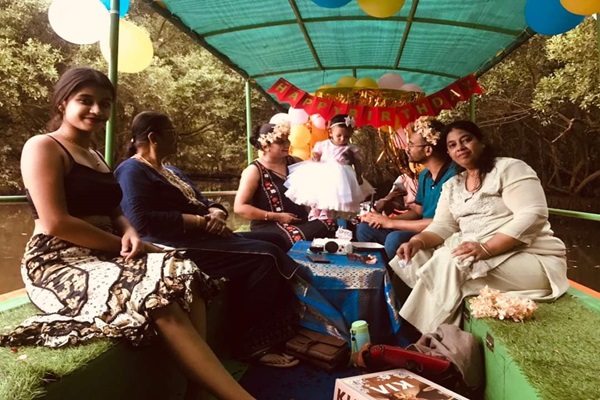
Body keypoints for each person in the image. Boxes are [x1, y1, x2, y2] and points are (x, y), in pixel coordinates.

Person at [0, 67, 255, 399]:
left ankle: (197, 391)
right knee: (156, 295)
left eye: (105, 103)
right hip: (56, 260)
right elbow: (55, 222)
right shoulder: (43, 147)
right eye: (85, 101)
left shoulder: (96, 156)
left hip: (105, 252)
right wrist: (135, 245)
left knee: (185, 270)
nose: (96, 110)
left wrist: (130, 231)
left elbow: (116, 211)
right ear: (63, 103)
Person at [114, 111, 301, 368]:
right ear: (154, 138)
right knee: (266, 257)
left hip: (202, 237)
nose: (177, 138)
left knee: (275, 240)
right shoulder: (131, 170)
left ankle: (280, 325)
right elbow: (140, 220)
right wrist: (200, 222)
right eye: (172, 134)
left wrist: (216, 213)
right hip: (170, 246)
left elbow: (204, 201)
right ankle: (249, 342)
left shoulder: (171, 170)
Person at [392, 120, 569, 334]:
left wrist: (486, 248)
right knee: (415, 257)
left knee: (451, 261)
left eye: (466, 140)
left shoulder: (510, 168)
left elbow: (533, 214)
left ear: (481, 142)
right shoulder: (453, 184)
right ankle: (422, 332)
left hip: (530, 257)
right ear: (448, 153)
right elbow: (444, 225)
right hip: (479, 253)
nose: (460, 147)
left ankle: (421, 337)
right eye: (452, 145)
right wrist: (417, 241)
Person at [356, 116, 457, 259]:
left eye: (411, 145)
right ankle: (378, 268)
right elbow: (417, 211)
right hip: (420, 227)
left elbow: (442, 223)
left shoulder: (454, 176)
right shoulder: (425, 175)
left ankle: (399, 272)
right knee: (365, 229)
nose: (406, 149)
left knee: (395, 239)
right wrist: (380, 219)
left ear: (428, 150)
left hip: (438, 232)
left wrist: (391, 223)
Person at [234, 121, 337, 247]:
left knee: (332, 224)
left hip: (301, 222)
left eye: (287, 139)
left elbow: (313, 186)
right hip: (270, 226)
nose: (287, 144)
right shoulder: (254, 170)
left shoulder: (294, 161)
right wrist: (277, 216)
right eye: (280, 142)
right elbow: (240, 207)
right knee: (298, 239)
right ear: (265, 146)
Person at [284, 114, 374, 220]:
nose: (342, 139)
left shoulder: (351, 149)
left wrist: (358, 175)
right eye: (339, 135)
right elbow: (316, 158)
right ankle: (315, 209)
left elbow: (357, 163)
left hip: (341, 176)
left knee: (333, 194)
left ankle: (327, 210)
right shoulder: (323, 144)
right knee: (318, 190)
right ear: (331, 133)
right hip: (323, 171)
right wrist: (315, 157)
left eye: (346, 136)